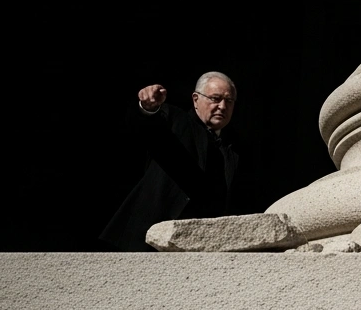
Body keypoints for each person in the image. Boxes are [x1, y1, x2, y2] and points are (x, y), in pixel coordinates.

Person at [101, 71, 256, 251]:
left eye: (229, 101)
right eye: (215, 98)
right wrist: (147, 108)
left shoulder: (237, 147)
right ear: (196, 99)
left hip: (204, 246)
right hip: (151, 238)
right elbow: (142, 126)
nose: (222, 106)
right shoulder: (175, 119)